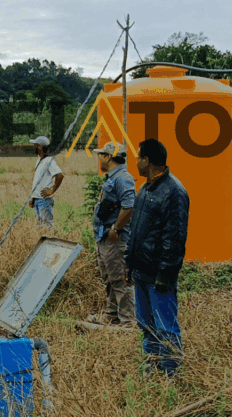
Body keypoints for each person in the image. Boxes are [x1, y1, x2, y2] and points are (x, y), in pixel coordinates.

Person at [124, 139, 189, 377]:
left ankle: (172, 376)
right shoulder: (145, 189)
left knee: (166, 328)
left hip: (159, 275)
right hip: (141, 271)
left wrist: (166, 273)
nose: (136, 162)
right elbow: (136, 231)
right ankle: (151, 372)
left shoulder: (174, 192)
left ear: (147, 161)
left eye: (139, 157)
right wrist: (129, 263)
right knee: (146, 326)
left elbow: (175, 238)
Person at [89, 142, 136, 326]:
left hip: (115, 239)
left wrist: (116, 229)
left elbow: (129, 206)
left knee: (120, 281)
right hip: (105, 237)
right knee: (110, 279)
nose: (99, 158)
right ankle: (113, 317)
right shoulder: (112, 177)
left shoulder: (123, 178)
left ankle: (127, 322)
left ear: (108, 157)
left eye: (101, 155)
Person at [28, 136, 64, 227]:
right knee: (39, 226)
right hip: (37, 199)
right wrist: (32, 197)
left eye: (35, 145)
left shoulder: (49, 161)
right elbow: (37, 182)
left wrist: (51, 190)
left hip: (44, 200)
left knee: (47, 226)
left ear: (40, 147)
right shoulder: (39, 161)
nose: (34, 147)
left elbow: (59, 175)